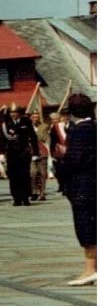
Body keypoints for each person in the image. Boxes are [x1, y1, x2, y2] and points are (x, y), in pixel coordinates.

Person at [59, 94, 96, 286]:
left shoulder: (80, 130)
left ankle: (90, 269)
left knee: (85, 226)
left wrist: (63, 158)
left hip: (83, 184)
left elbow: (76, 159)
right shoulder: (95, 127)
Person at [0, 105, 40, 206]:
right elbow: (2, 140)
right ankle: (16, 198)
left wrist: (35, 152)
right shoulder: (6, 124)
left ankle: (26, 197)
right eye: (11, 112)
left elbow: (33, 137)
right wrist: (1, 153)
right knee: (13, 176)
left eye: (15, 112)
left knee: (25, 176)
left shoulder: (26, 122)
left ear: (19, 113)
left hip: (23, 152)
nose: (13, 114)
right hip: (11, 153)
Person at [30, 112, 50, 201]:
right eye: (34, 117)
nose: (35, 119)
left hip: (42, 152)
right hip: (31, 153)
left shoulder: (44, 126)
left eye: (37, 117)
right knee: (33, 173)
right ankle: (34, 191)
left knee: (42, 174)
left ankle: (42, 193)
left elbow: (46, 138)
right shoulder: (27, 126)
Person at [50, 110, 71, 195]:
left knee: (69, 170)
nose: (65, 117)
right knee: (60, 170)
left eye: (67, 115)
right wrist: (52, 152)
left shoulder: (73, 125)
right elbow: (53, 140)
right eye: (64, 115)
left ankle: (68, 187)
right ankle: (63, 186)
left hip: (71, 151)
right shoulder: (57, 127)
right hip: (60, 152)